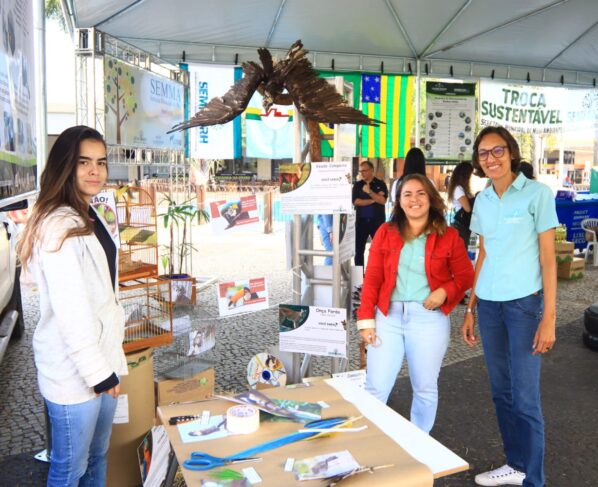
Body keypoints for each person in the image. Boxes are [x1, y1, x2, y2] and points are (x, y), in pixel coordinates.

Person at [17, 126, 127, 486]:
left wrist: (108, 365)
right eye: (84, 162)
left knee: (97, 457)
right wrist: (99, 374)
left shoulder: (87, 213)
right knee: (69, 470)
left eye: (101, 162)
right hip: (75, 373)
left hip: (103, 360)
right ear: (65, 165)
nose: (95, 171)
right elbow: (71, 311)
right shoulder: (58, 225)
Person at [460, 126, 558, 487]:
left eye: (498, 150)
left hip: (523, 308)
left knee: (525, 398)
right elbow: (483, 253)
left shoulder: (537, 194)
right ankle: (515, 465)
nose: (491, 159)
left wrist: (549, 318)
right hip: (489, 307)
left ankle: (534, 479)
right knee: (501, 392)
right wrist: (470, 307)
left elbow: (548, 260)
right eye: (484, 153)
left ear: (512, 152)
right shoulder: (483, 200)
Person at [357, 174, 473, 433]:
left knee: (424, 388)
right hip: (388, 318)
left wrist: (444, 291)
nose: (414, 199)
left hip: (428, 319)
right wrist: (366, 321)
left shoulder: (448, 236)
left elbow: (466, 275)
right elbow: (372, 278)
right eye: (407, 194)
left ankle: (419, 444)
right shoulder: (385, 232)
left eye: (421, 193)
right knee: (376, 386)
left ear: (431, 198)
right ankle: (367, 443)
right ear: (399, 201)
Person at [352, 160, 388, 268]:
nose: (362, 173)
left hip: (377, 223)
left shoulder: (380, 184)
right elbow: (356, 201)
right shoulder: (358, 185)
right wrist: (374, 199)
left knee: (379, 250)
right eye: (360, 171)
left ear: (372, 170)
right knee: (359, 251)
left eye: (364, 171)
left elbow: (383, 201)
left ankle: (377, 273)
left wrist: (370, 192)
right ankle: (359, 276)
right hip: (361, 223)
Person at [447, 161, 475, 248]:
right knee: (462, 250)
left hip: (464, 225)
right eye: (469, 175)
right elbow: (467, 209)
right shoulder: (458, 189)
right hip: (461, 226)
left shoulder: (460, 188)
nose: (470, 178)